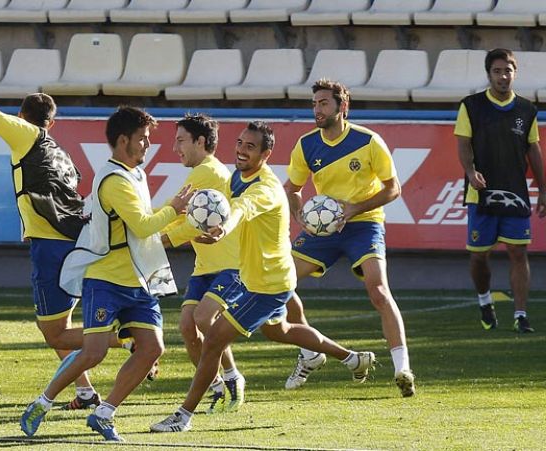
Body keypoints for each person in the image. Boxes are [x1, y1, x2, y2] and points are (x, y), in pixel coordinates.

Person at [150, 121, 376, 433]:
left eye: (250, 147)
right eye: (240, 143)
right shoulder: (236, 178)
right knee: (280, 330)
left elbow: (240, 210)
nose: (241, 150)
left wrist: (222, 230)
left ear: (266, 154)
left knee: (213, 339)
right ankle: (353, 358)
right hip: (262, 276)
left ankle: (183, 416)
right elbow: (223, 210)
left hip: (266, 284)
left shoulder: (266, 189)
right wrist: (184, 235)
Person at [20, 106, 193, 442]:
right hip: (106, 280)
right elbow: (143, 225)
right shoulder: (113, 180)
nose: (147, 145)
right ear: (123, 140)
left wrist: (183, 221)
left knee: (152, 347)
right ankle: (42, 403)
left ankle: (104, 412)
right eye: (143, 139)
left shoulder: (135, 175)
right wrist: (177, 208)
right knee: (93, 351)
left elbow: (143, 223)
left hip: (136, 279)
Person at [0, 68, 112, 410]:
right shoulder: (61, 153)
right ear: (52, 123)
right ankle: (85, 392)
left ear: (23, 118)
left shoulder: (26, 135)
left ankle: (127, 338)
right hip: (73, 240)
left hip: (51, 246)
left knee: (53, 332)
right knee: (62, 325)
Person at [282, 79, 415, 398]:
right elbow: (292, 189)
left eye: (324, 103)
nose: (317, 109)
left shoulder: (368, 141)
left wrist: (355, 208)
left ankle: (402, 369)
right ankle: (310, 353)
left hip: (364, 224)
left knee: (379, 290)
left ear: (342, 107)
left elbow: (393, 188)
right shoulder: (306, 145)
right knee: (277, 281)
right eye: (314, 104)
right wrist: (300, 217)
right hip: (323, 230)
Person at [455, 48, 546, 333]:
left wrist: (543, 189)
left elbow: (534, 149)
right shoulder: (471, 105)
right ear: (489, 74)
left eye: (507, 71)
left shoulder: (526, 109)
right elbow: (463, 143)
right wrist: (470, 172)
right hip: (480, 194)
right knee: (479, 255)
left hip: (515, 192)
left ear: (514, 73)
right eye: (497, 71)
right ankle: (485, 301)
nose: (503, 76)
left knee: (519, 253)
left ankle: (520, 314)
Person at [161, 113, 246, 413]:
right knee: (187, 326)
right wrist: (146, 226)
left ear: (200, 141)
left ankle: (233, 378)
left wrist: (157, 239)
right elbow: (177, 212)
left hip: (230, 265)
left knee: (202, 318)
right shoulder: (201, 172)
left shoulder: (208, 173)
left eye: (181, 140)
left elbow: (189, 225)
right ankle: (215, 386)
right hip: (205, 266)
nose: (175, 148)